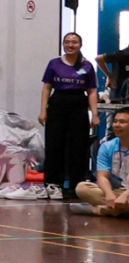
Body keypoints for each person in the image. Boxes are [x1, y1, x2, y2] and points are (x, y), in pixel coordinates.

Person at [40, 32, 99, 202]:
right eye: (67, 42)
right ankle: (53, 184)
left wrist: (94, 114)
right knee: (54, 145)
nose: (70, 45)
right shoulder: (54, 63)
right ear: (63, 44)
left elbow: (92, 91)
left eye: (74, 42)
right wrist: (43, 110)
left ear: (80, 45)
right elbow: (47, 88)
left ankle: (76, 186)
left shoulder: (87, 65)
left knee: (79, 147)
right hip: (58, 104)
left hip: (78, 106)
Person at [77, 108, 129, 216]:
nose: (117, 125)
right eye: (115, 121)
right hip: (117, 191)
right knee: (82, 188)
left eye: (122, 122)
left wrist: (126, 195)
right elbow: (102, 176)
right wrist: (109, 194)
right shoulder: (107, 146)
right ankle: (120, 210)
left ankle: (99, 210)